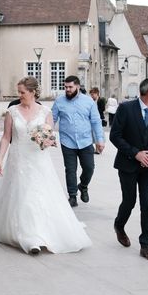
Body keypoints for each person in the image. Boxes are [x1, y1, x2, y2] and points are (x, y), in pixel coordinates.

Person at [0, 77, 92, 254]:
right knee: (21, 195)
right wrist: (0, 158)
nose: (19, 95)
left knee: (37, 196)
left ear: (32, 92)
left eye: (22, 92)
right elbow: (6, 137)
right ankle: (28, 236)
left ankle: (38, 234)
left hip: (38, 160)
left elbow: (48, 136)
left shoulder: (45, 112)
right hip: (17, 159)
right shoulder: (12, 111)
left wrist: (48, 141)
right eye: (18, 92)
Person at [109, 78, 148, 262]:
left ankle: (146, 245)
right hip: (128, 165)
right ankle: (119, 225)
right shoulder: (126, 109)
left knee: (147, 203)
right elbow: (115, 136)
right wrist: (136, 154)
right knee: (129, 201)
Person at [52, 76, 105, 207]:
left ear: (77, 86)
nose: (67, 90)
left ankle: (83, 185)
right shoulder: (59, 101)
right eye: (65, 87)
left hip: (86, 141)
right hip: (67, 141)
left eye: (70, 87)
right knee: (70, 169)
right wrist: (48, 136)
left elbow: (96, 122)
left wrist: (100, 140)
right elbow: (51, 120)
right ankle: (72, 196)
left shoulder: (89, 102)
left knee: (89, 168)